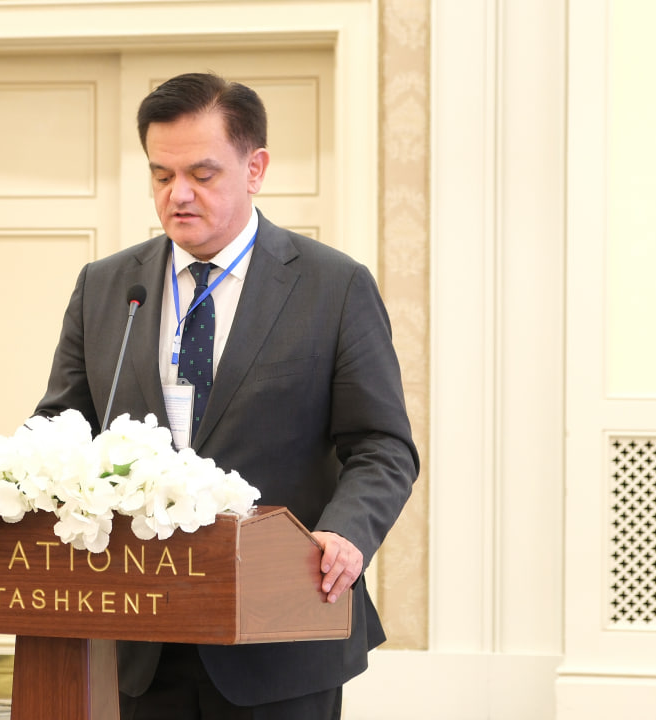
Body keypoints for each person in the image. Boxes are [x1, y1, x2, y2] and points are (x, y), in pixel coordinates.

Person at [34, 71, 418, 720]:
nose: (177, 194)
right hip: (140, 630)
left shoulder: (333, 286)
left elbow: (382, 446)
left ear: (255, 168)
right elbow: (60, 424)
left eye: (202, 174)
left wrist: (346, 531)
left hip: (281, 629)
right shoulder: (108, 286)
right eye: (161, 175)